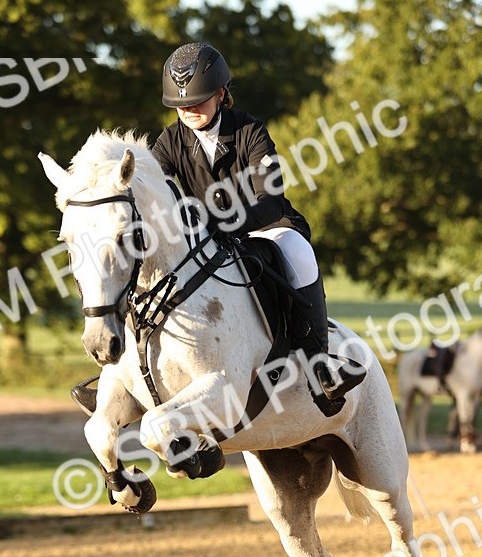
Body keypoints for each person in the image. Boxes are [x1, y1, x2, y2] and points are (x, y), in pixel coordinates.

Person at [148, 41, 365, 417]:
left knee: (298, 251)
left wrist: (221, 221)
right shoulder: (169, 141)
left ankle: (320, 367)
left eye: (198, 100)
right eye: (181, 105)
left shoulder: (250, 130)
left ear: (221, 94)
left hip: (265, 226)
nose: (189, 110)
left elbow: (271, 199)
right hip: (209, 239)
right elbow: (156, 194)